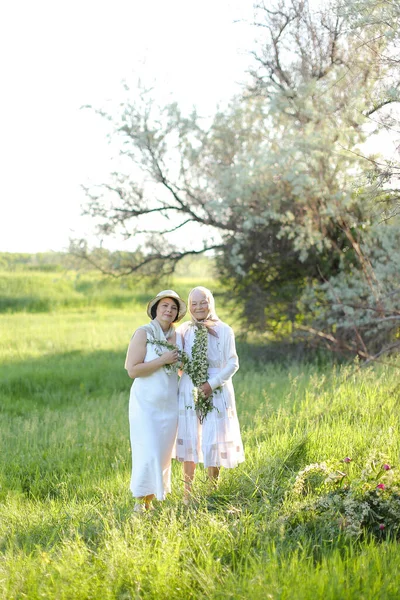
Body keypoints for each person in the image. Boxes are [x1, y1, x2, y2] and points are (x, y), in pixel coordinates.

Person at [175, 286, 244, 502]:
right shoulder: (184, 330)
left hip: (217, 388)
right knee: (190, 439)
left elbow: (233, 363)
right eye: (193, 303)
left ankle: (211, 492)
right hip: (189, 387)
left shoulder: (224, 330)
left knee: (214, 438)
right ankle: (188, 496)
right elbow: (178, 360)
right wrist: (189, 375)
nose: (198, 307)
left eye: (203, 302)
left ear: (210, 302)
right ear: (189, 306)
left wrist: (211, 384)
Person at [125, 289, 187, 512]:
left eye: (173, 307)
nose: (169, 310)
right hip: (146, 405)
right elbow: (132, 370)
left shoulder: (178, 336)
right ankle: (139, 503)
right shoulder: (143, 333)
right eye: (164, 306)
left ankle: (150, 501)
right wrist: (162, 360)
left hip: (169, 404)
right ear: (155, 309)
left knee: (162, 452)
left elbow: (180, 368)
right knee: (147, 450)